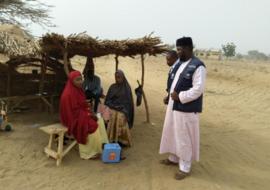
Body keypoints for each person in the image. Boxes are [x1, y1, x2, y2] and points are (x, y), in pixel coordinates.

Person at [159, 37, 206, 180]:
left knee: (183, 137)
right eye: (177, 49)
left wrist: (180, 96)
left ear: (188, 49)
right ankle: (173, 158)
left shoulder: (198, 66)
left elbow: (198, 89)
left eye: (180, 49)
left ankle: (185, 167)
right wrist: (169, 96)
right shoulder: (180, 63)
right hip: (174, 106)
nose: (177, 52)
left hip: (186, 108)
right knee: (173, 132)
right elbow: (174, 83)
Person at [60, 71, 108, 159]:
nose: (80, 82)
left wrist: (88, 109)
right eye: (77, 80)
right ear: (71, 81)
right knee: (92, 126)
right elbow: (70, 113)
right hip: (72, 119)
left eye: (81, 79)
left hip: (81, 114)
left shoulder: (78, 90)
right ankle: (89, 152)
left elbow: (80, 105)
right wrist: (88, 114)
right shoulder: (67, 95)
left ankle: (102, 144)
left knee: (100, 119)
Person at [104, 70, 134, 147]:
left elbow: (128, 103)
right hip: (112, 107)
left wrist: (121, 108)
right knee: (108, 114)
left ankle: (121, 140)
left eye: (120, 77)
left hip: (123, 109)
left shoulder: (127, 88)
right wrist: (113, 106)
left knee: (119, 117)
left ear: (123, 77)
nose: (118, 79)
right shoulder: (112, 87)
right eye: (116, 77)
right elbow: (107, 100)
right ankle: (110, 138)